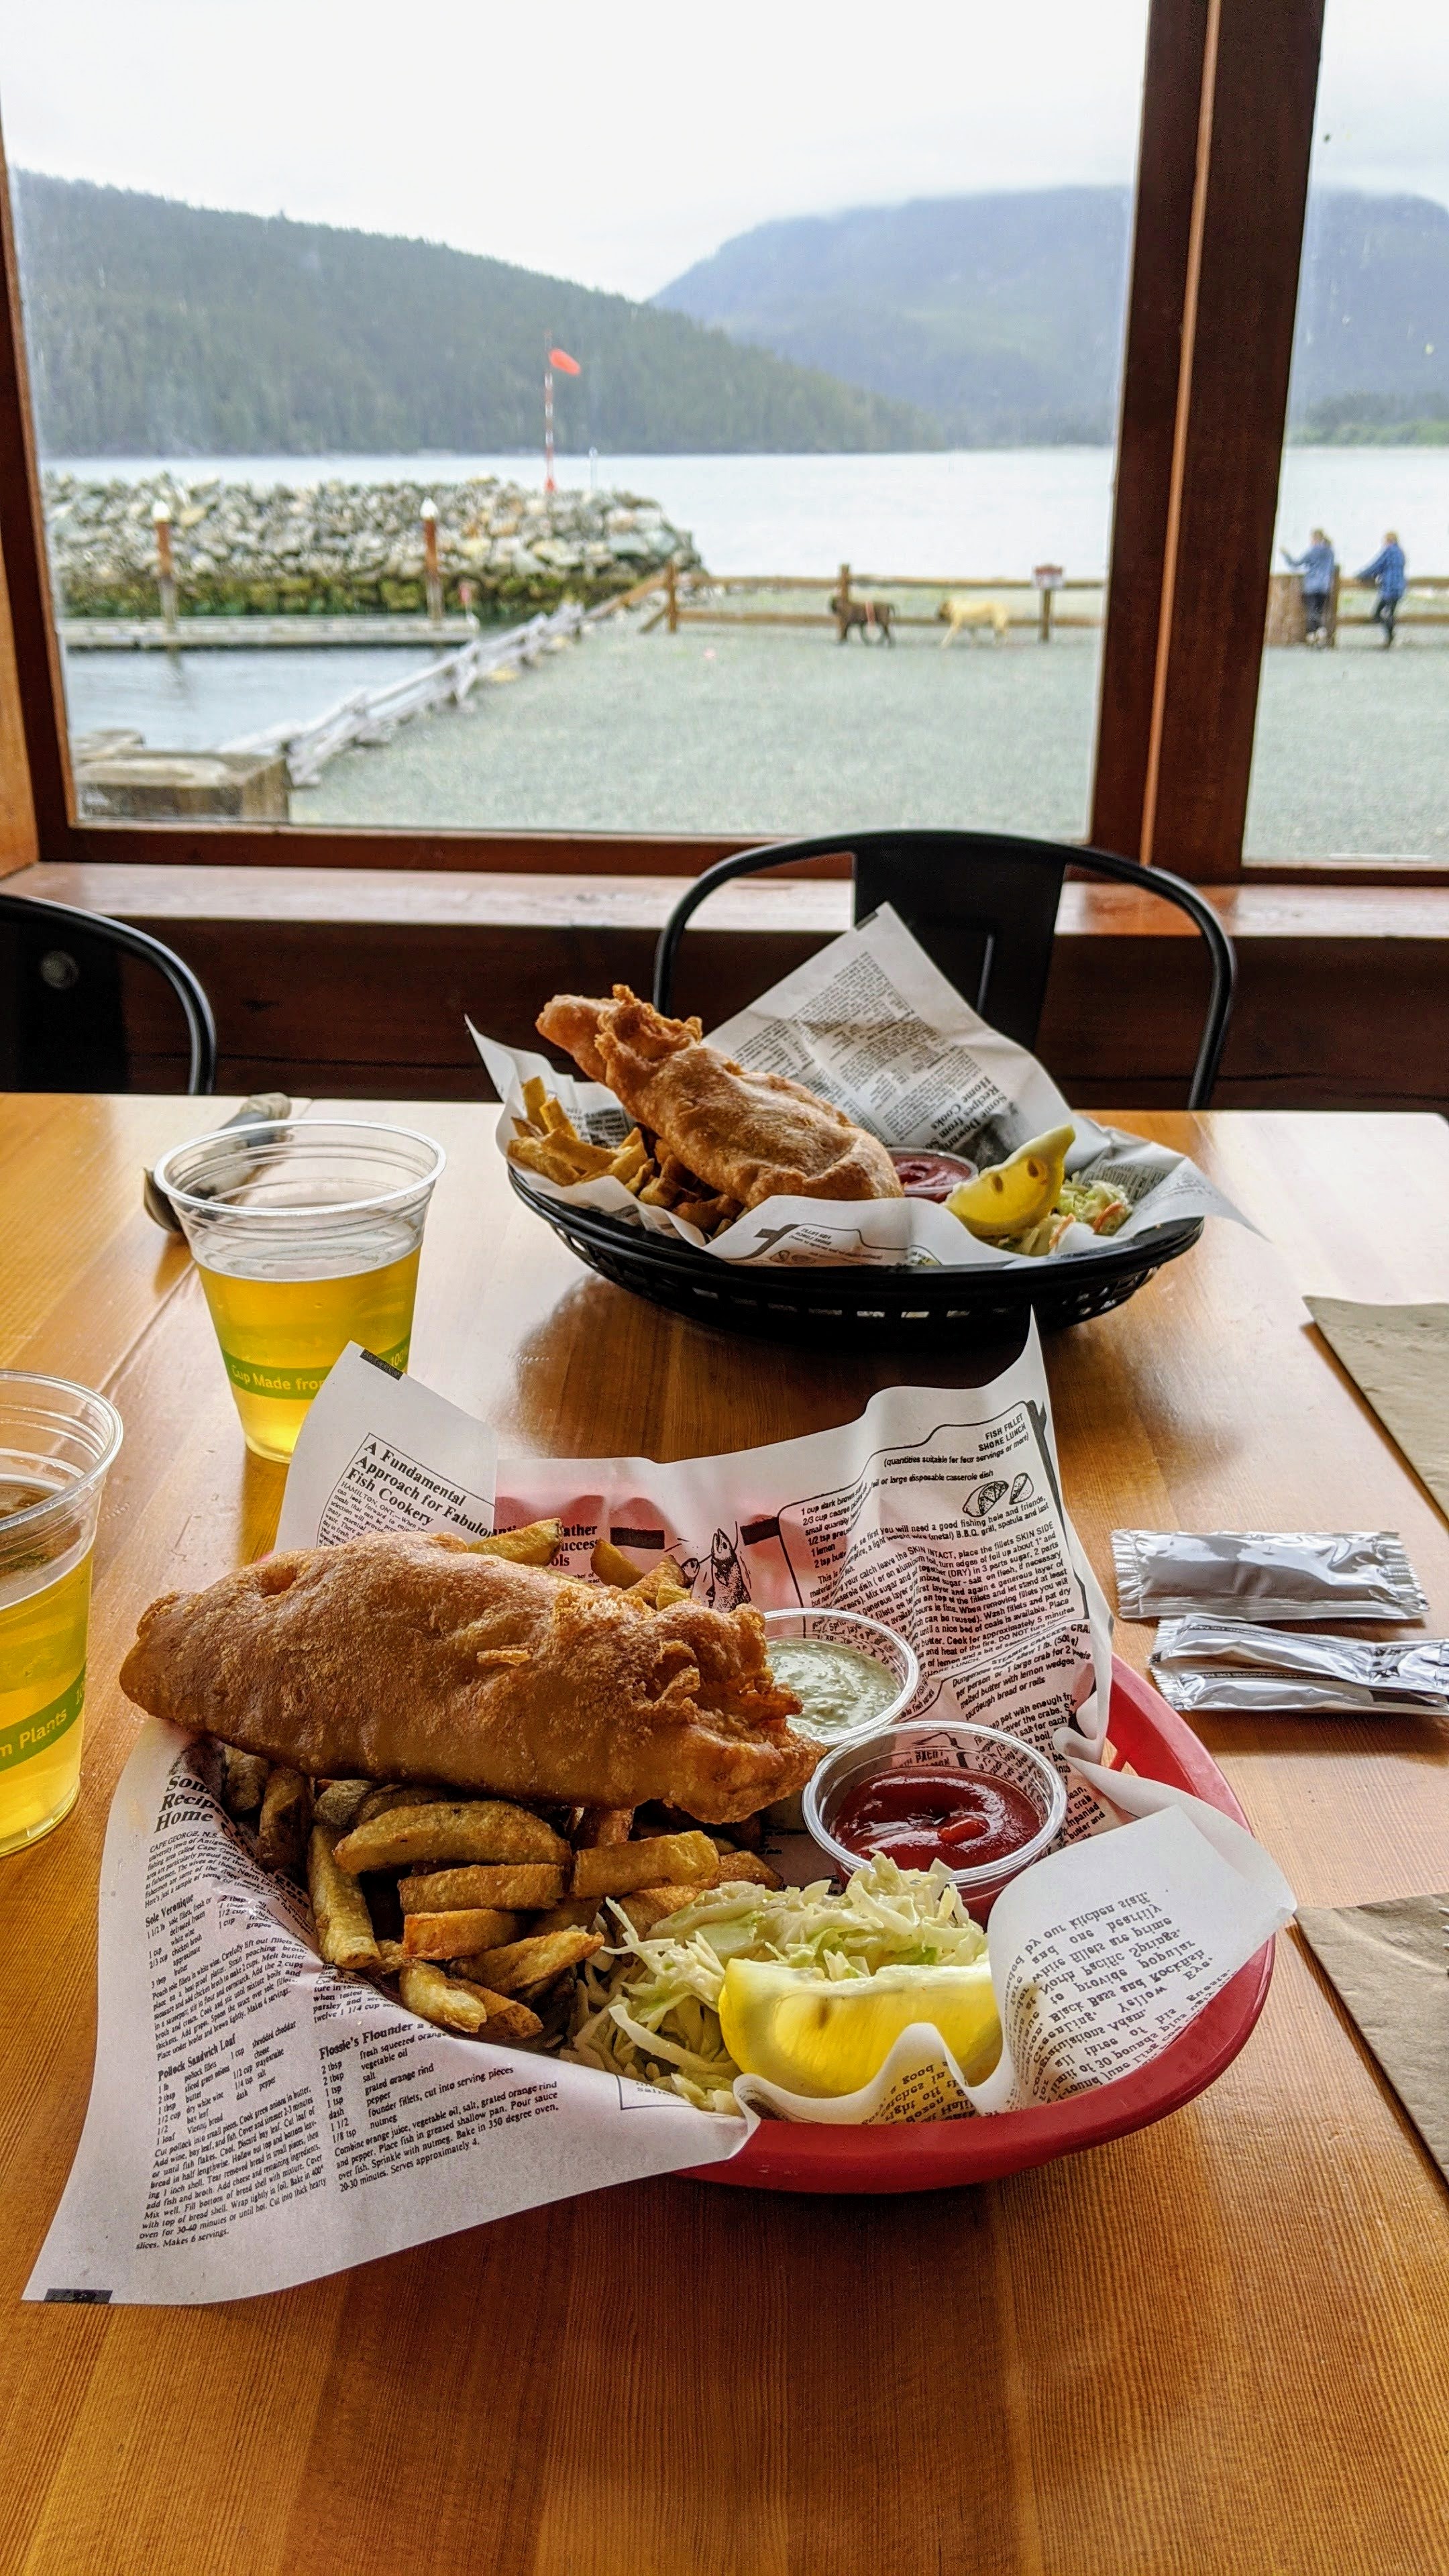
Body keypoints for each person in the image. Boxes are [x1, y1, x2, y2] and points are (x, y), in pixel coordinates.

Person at [1281, 528, 1336, 644]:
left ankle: (1314, 634)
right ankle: (1319, 635)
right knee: (1319, 611)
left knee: (1311, 611)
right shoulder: (1330, 552)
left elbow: (1295, 564)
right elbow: (1332, 568)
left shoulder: (1312, 551)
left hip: (1311, 586)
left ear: (1315, 538)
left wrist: (1285, 554)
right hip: (1324, 586)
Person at [1357, 531, 1407, 645]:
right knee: (1390, 613)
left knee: (1377, 614)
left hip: (1389, 587)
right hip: (1399, 587)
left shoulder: (1388, 551)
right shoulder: (1400, 552)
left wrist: (1362, 575)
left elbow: (1377, 565)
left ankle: (1390, 638)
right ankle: (1391, 638)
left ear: (1388, 540)